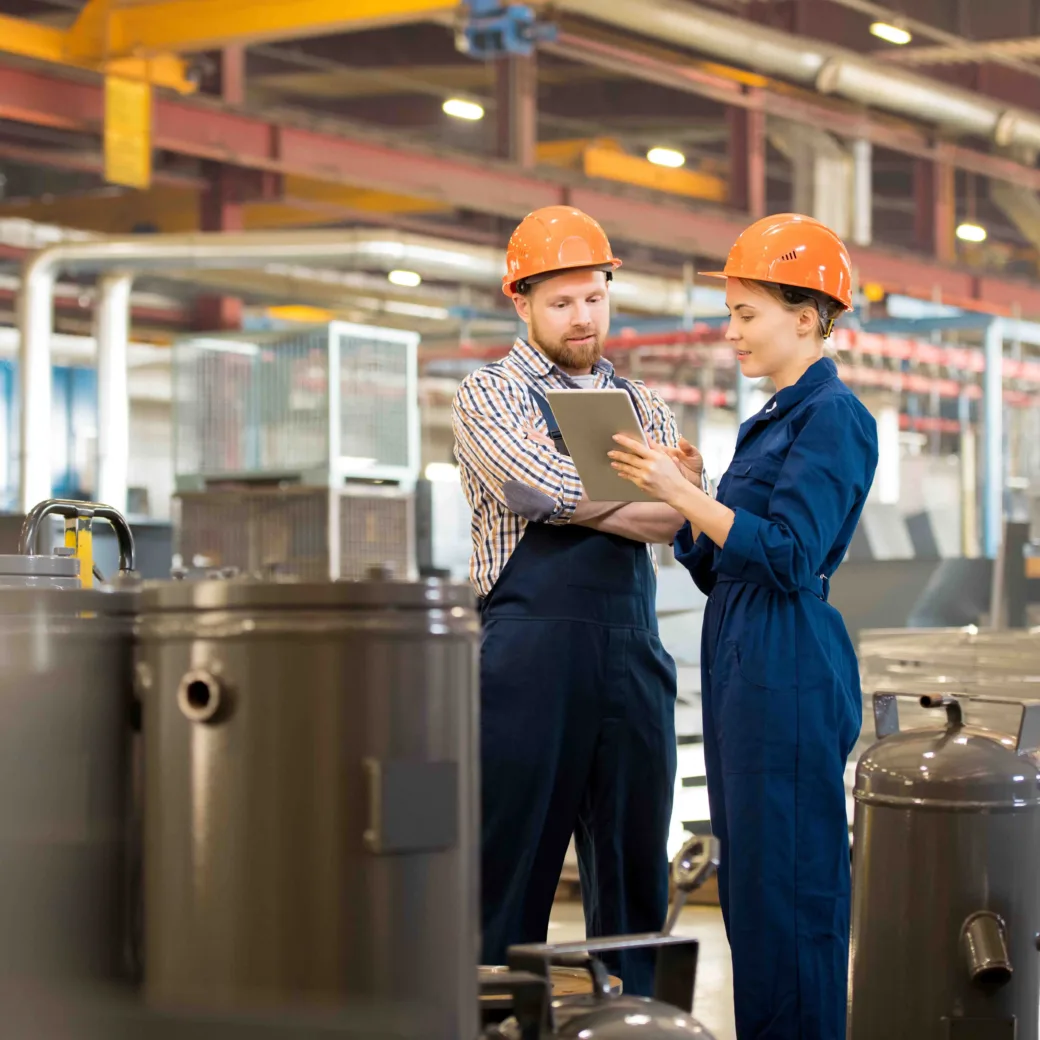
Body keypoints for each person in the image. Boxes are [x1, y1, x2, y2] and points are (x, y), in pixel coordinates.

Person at [609, 213, 879, 1040]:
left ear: (807, 317)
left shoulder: (834, 416)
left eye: (746, 313)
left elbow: (792, 555)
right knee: (755, 893)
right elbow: (724, 562)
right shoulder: (771, 419)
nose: (730, 332)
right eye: (731, 313)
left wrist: (685, 497)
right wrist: (695, 497)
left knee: (792, 893)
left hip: (787, 662)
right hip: (742, 653)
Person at [451, 205, 686, 996]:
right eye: (561, 302)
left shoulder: (644, 403)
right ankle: (493, 1015)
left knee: (633, 861)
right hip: (530, 654)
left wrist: (580, 493)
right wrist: (641, 492)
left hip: (634, 651)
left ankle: (633, 1016)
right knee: (508, 857)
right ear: (521, 301)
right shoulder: (490, 392)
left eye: (593, 297)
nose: (582, 317)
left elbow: (680, 514)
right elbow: (528, 487)